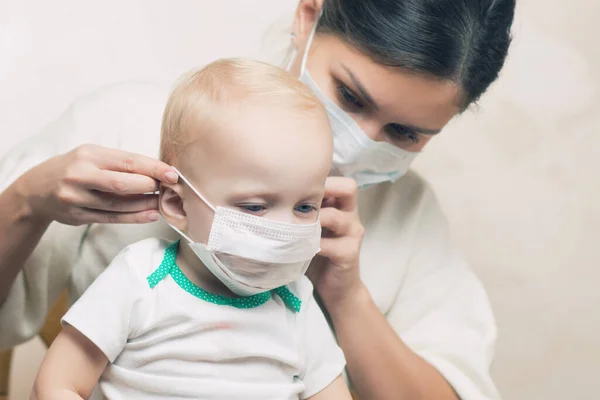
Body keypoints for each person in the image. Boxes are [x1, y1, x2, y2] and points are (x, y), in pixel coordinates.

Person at [0, 0, 516, 399]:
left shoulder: (411, 218)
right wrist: (25, 204)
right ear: (308, 15)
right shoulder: (125, 126)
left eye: (405, 133)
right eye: (350, 97)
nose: (358, 141)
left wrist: (346, 296)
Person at [31, 58, 351, 400]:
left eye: (305, 207)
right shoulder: (141, 279)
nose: (284, 230)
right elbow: (57, 384)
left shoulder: (296, 299)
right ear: (176, 204)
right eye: (255, 207)